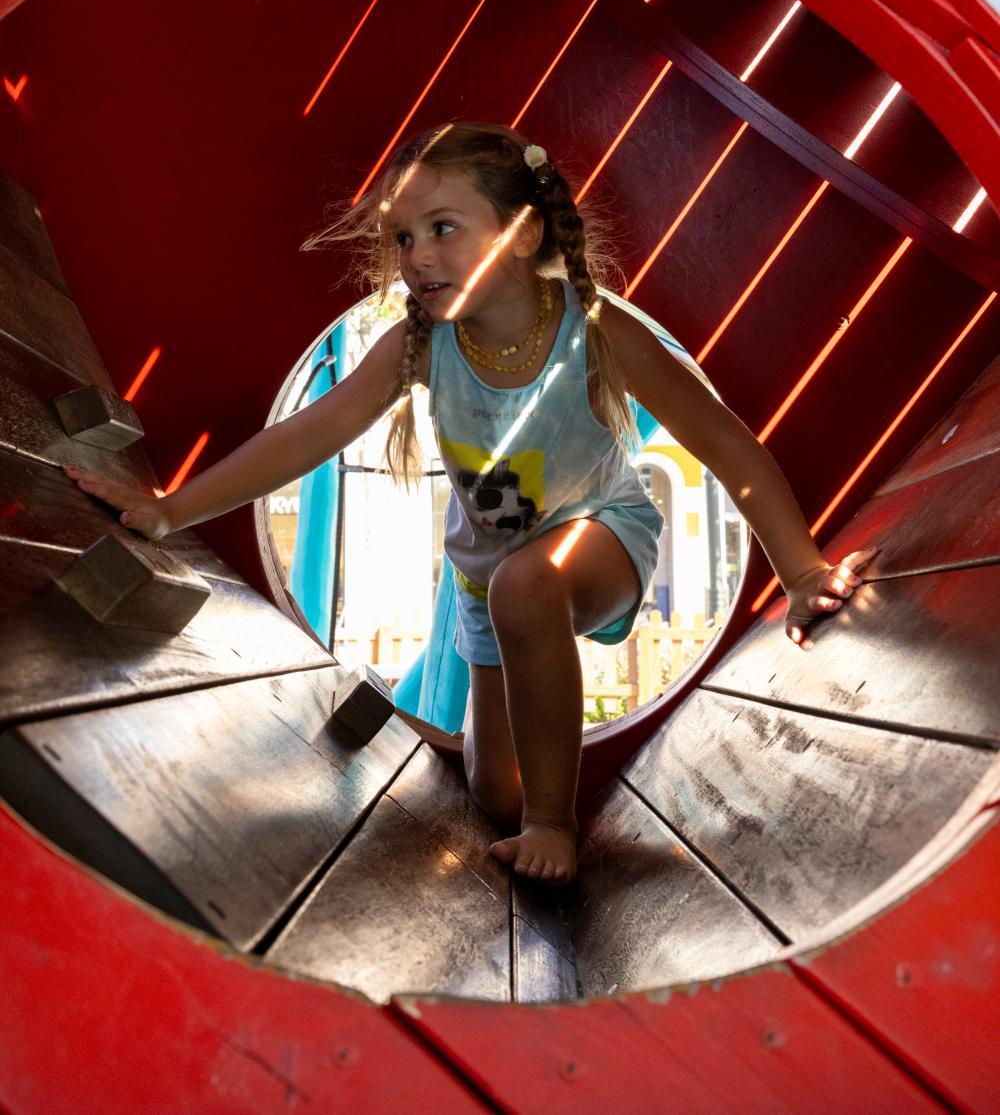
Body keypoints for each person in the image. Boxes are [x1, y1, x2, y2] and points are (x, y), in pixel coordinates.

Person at [63, 122, 874, 886]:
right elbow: (306, 434)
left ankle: (554, 824)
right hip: (488, 576)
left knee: (532, 592)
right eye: (404, 237)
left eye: (443, 226)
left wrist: (801, 570)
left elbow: (726, 444)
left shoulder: (594, 331)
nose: (416, 255)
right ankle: (484, 773)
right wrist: (172, 509)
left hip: (605, 538)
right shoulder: (420, 343)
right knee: (497, 794)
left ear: (523, 233)